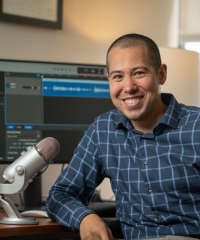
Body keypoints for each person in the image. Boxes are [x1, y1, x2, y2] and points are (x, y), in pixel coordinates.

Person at [46, 34, 200, 240]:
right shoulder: (103, 129)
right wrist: (84, 217)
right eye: (118, 76)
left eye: (138, 73)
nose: (128, 87)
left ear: (161, 74)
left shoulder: (196, 125)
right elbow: (60, 194)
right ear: (109, 80)